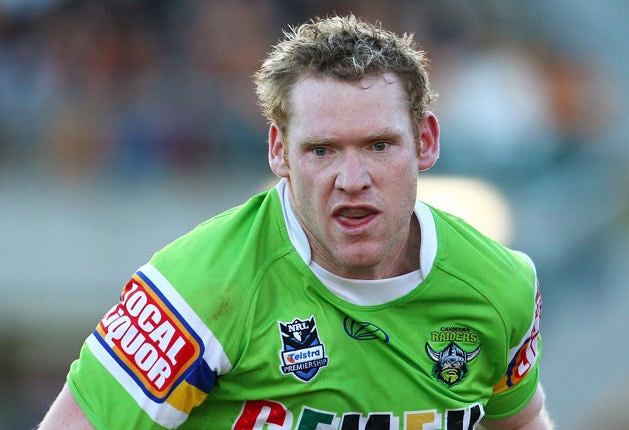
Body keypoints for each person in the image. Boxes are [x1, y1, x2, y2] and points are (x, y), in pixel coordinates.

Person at [38, 14, 553, 430]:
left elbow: (520, 421)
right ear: (279, 152)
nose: (352, 179)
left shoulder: (500, 286)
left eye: (379, 145)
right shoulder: (198, 290)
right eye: (322, 150)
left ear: (426, 142)